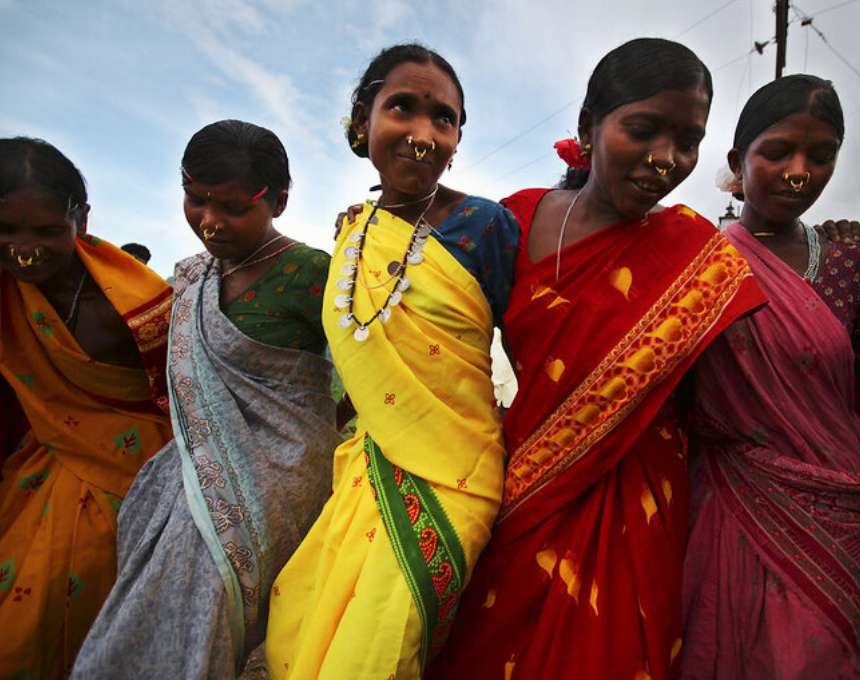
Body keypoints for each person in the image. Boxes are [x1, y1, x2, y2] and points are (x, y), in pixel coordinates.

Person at [428, 38, 764, 680]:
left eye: (688, 140)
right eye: (642, 130)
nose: (666, 159)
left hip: (642, 498)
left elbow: (729, 395)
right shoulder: (512, 222)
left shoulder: (697, 250)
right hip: (517, 489)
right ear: (588, 127)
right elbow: (441, 338)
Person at [265, 44, 519, 678]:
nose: (423, 133)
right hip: (370, 462)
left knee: (379, 642)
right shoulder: (354, 233)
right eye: (402, 107)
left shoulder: (485, 227)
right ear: (362, 119)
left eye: (444, 118)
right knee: (303, 626)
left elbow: (531, 352)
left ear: (460, 136)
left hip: (458, 474)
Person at [73, 120, 341, 679]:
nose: (210, 222)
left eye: (233, 208)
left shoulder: (314, 274)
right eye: (196, 201)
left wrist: (307, 445)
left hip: (283, 483)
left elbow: (365, 376)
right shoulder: (193, 280)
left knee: (214, 606)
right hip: (192, 476)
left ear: (279, 201)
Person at [679, 75, 860, 679]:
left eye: (820, 157)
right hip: (732, 500)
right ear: (737, 160)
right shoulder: (698, 261)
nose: (799, 173)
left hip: (834, 502)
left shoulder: (852, 259)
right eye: (777, 153)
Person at [0, 137, 173, 678]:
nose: (25, 249)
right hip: (34, 458)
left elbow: (184, 398)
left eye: (47, 231)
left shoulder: (137, 307)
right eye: (7, 230)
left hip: (132, 472)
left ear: (82, 218)